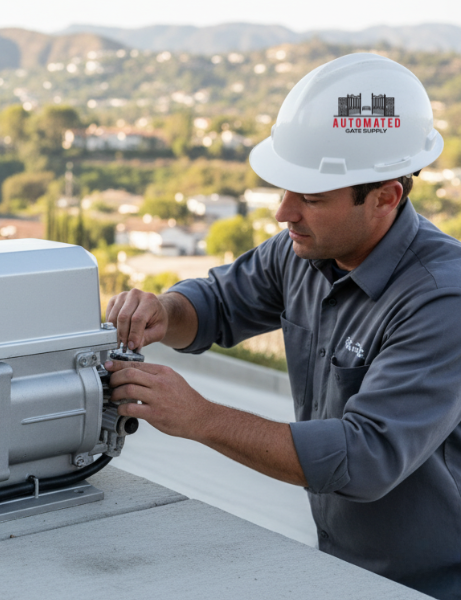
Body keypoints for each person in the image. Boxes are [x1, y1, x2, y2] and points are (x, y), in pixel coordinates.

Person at [105, 53, 460, 599]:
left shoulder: (441, 298)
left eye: (311, 198)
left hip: (431, 582)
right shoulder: (304, 251)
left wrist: (199, 417)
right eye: (286, 189)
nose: (284, 212)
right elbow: (218, 302)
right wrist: (164, 311)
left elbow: (364, 458)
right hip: (344, 566)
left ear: (387, 195)